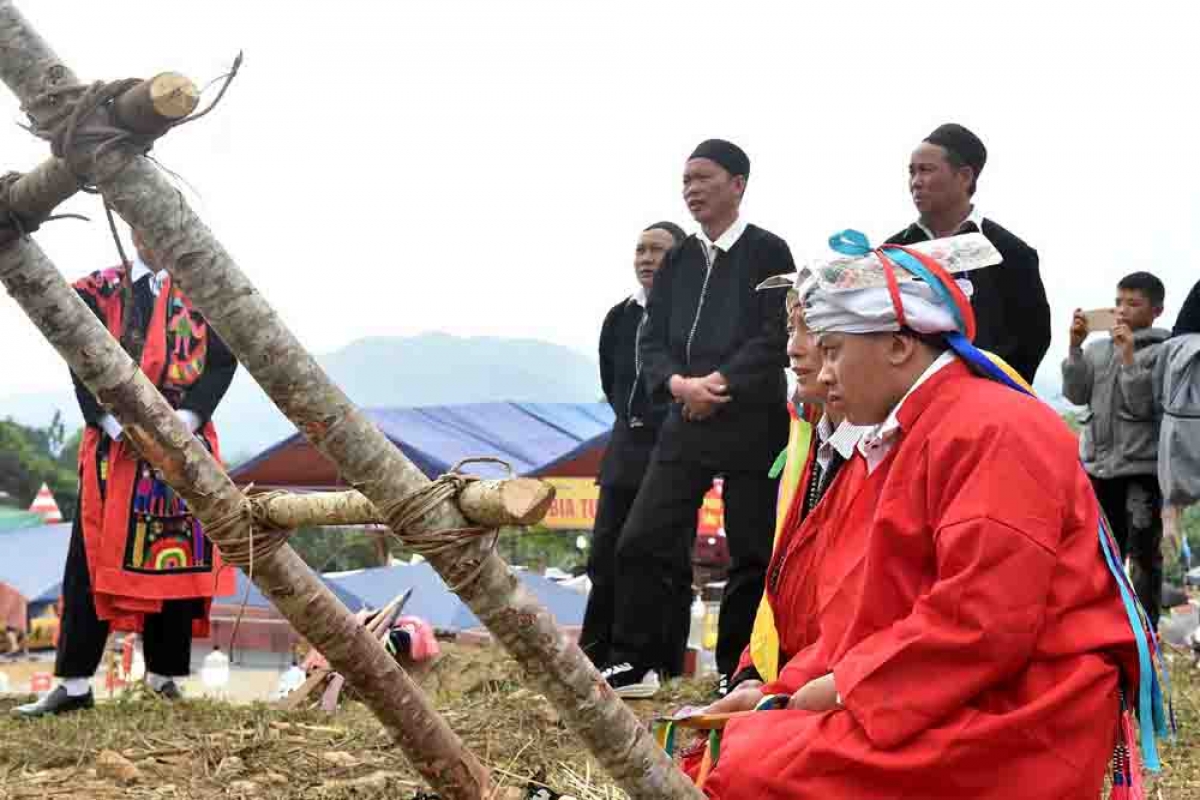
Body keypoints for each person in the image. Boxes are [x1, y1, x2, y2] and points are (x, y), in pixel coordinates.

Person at [691, 231, 1158, 798]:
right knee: (741, 745)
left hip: (1026, 708)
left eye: (834, 349)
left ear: (897, 344)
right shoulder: (904, 437)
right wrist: (780, 686)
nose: (824, 370)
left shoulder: (993, 429)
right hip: (942, 681)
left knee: (754, 768)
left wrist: (838, 688)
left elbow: (985, 621)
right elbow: (869, 613)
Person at [15, 230, 238, 717]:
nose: (150, 236)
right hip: (112, 453)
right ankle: (74, 685)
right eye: (139, 225)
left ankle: (163, 680)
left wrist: (189, 419)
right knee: (89, 563)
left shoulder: (201, 293)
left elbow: (223, 361)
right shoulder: (98, 292)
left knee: (175, 564)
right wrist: (112, 423)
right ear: (130, 226)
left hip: (183, 448)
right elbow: (79, 359)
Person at [601, 140, 794, 697]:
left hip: (752, 422)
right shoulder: (680, 258)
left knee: (753, 551)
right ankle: (636, 662)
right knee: (640, 537)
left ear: (738, 184)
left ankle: (739, 671)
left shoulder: (768, 251)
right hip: (685, 417)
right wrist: (679, 384)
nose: (691, 189)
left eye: (703, 178)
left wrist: (724, 382)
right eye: (685, 180)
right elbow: (653, 339)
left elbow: (774, 332)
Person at [726, 278, 866, 691]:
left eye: (814, 328)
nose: (793, 348)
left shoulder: (886, 448)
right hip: (794, 678)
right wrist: (753, 672)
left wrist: (783, 693)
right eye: (791, 328)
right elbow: (783, 586)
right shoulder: (807, 437)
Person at [579, 220, 686, 668]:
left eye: (657, 250)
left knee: (663, 559)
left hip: (675, 450)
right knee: (604, 553)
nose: (646, 258)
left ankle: (657, 662)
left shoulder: (692, 317)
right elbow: (612, 380)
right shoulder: (619, 316)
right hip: (625, 448)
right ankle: (594, 655)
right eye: (640, 250)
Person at [886, 123, 1050, 384]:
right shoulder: (894, 253)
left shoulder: (1009, 252)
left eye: (926, 170)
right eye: (912, 172)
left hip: (985, 402)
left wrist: (986, 387)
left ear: (964, 176)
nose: (916, 182)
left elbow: (1033, 337)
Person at [1062, 271, 1169, 627]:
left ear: (1157, 310)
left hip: (1141, 470)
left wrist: (1129, 358)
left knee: (1142, 557)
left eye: (1134, 303)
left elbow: (1143, 407)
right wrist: (1075, 348)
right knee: (1100, 554)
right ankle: (1100, 628)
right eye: (1119, 301)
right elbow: (1075, 395)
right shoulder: (1096, 349)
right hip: (1098, 467)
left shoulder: (1162, 351)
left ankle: (1146, 632)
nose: (1122, 310)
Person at [1120, 278, 1200, 564]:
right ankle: (1172, 511)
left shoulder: (1169, 348)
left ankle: (1172, 511)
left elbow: (1151, 402)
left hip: (1181, 374)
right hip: (1185, 363)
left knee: (1178, 432)